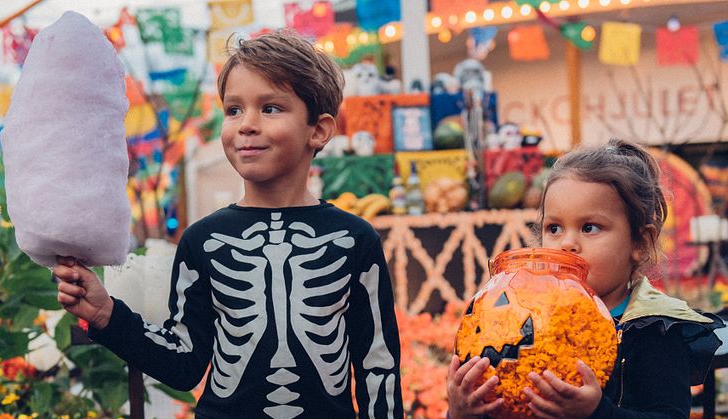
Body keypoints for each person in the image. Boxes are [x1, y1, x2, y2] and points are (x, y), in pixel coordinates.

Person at [55, 31, 403, 418]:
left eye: (270, 108)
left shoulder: (355, 240)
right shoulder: (203, 241)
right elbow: (184, 362)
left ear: (318, 130)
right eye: (233, 110)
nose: (246, 125)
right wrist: (107, 314)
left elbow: (378, 365)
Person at [447, 138, 723, 419]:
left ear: (639, 242)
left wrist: (597, 413)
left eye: (589, 227)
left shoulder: (654, 328)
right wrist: (461, 413)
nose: (567, 244)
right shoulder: (527, 323)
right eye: (554, 228)